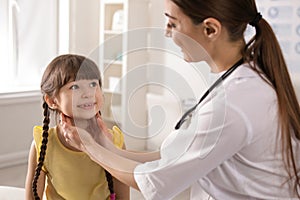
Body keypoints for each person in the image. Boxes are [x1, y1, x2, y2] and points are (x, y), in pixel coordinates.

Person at [61, 0, 300, 199]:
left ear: (210, 29)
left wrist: (88, 146)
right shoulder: (240, 81)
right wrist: (106, 146)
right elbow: (174, 156)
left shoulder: (234, 104)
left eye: (172, 23)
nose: (166, 31)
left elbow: (154, 180)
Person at [25, 54, 129, 200]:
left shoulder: (114, 140)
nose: (88, 93)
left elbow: (124, 197)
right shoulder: (43, 143)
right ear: (52, 101)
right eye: (74, 86)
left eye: (93, 84)